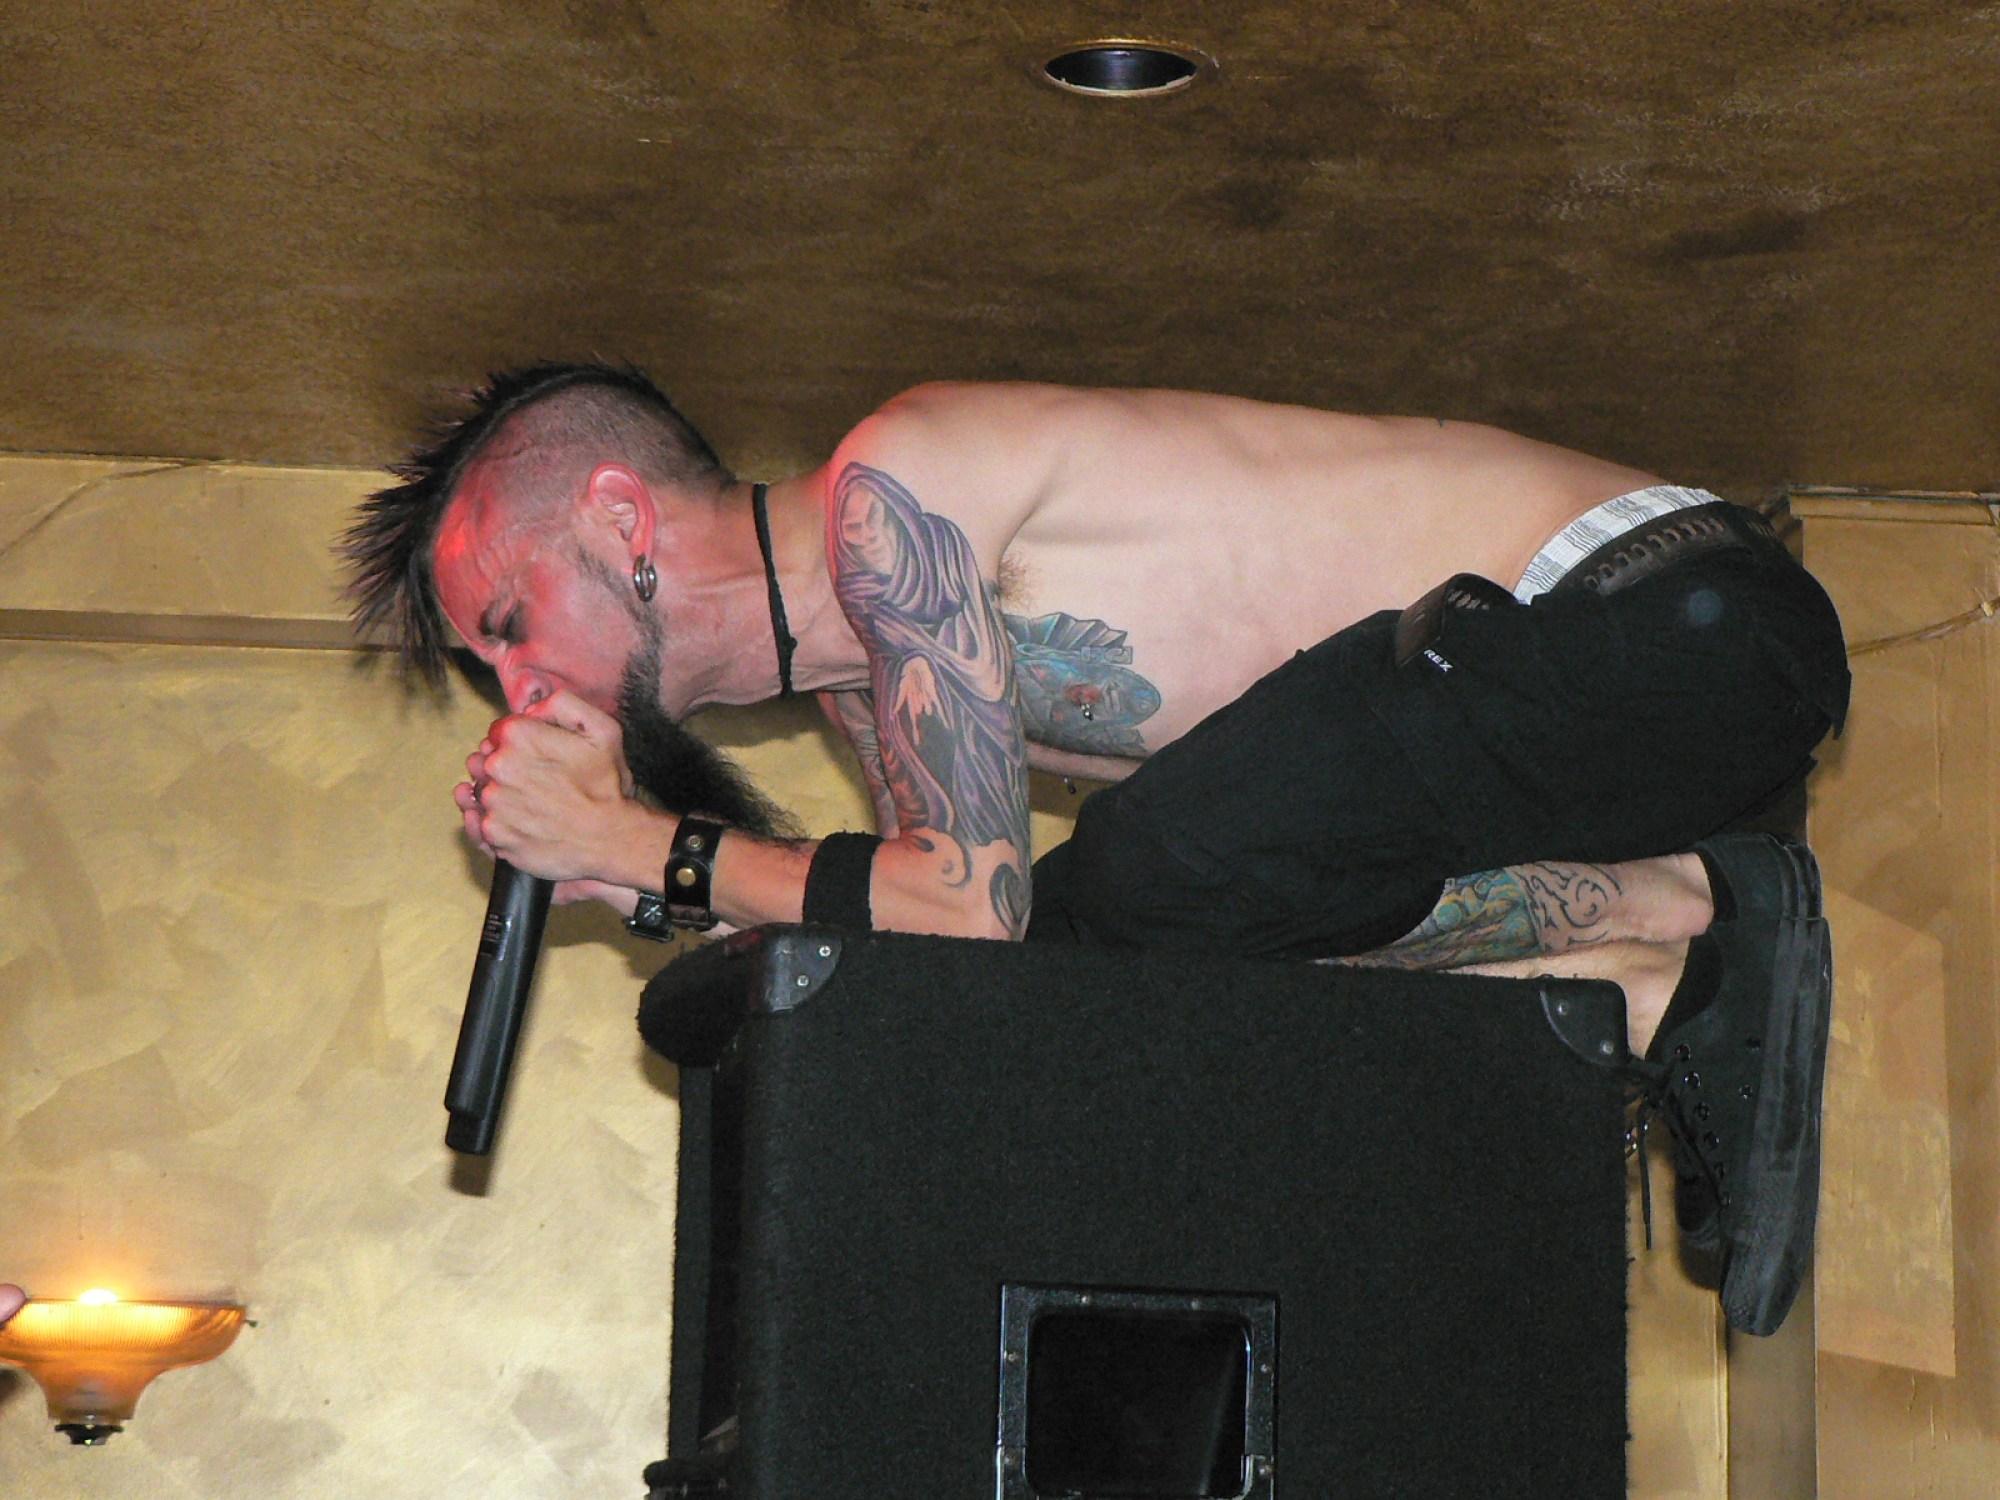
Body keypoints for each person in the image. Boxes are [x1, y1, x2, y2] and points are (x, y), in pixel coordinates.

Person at [343, 364, 1848, 1336]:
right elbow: (966, 960)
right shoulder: (868, 687)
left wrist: (660, 847)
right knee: (1083, 982)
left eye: (510, 625)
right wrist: (653, 878)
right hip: (1592, 748)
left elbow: (968, 907)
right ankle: (1664, 968)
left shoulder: (892, 491)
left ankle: (1690, 920)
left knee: (1130, 879)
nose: (521, 691)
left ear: (620, 517)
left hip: (1672, 626)